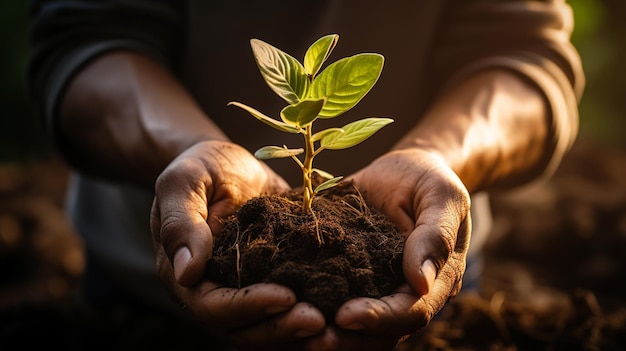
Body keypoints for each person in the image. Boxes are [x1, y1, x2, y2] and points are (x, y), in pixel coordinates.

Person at [27, 0, 584, 350]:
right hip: (142, 291)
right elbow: (84, 39)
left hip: (422, 269)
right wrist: (192, 149)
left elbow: (522, 54)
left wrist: (440, 155)